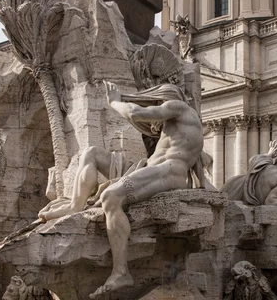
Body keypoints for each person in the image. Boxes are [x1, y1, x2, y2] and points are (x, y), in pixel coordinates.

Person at [60, 82, 204, 299]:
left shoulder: (179, 106)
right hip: (149, 168)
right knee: (91, 154)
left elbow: (137, 113)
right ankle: (74, 206)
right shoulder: (182, 127)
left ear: (159, 100)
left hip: (168, 172)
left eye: (155, 107)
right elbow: (199, 169)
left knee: (111, 196)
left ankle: (121, 272)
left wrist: (115, 101)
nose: (155, 123)